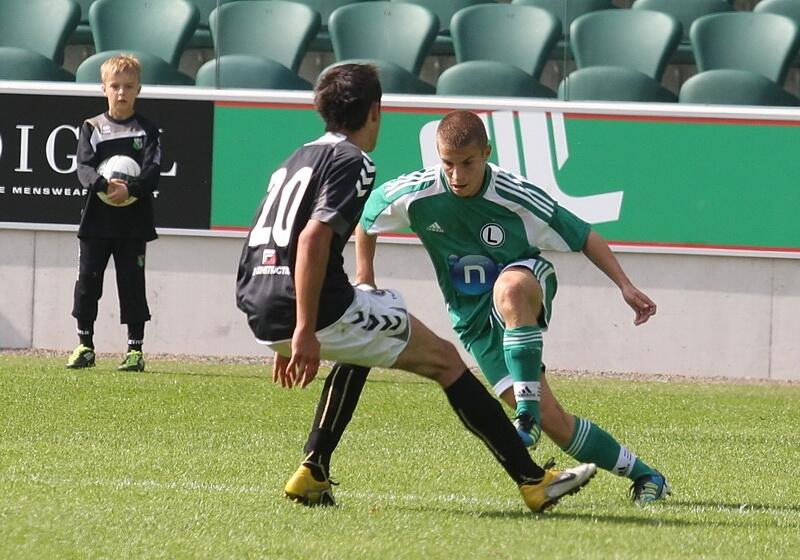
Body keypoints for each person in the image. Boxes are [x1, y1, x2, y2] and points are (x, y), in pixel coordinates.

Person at [235, 64, 596, 512]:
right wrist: (304, 326)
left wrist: (284, 317)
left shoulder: (297, 157)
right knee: (445, 361)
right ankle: (533, 480)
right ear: (375, 111)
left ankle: (314, 468)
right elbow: (311, 239)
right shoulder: (353, 160)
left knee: (369, 333)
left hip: (258, 298)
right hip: (308, 304)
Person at [356, 109, 670, 506]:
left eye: (467, 163)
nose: (457, 175)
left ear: (486, 152)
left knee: (508, 288)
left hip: (527, 280)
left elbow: (583, 234)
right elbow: (366, 220)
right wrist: (365, 278)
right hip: (473, 320)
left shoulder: (513, 193)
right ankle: (645, 475)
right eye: (448, 164)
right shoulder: (416, 193)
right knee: (556, 421)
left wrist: (624, 285)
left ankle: (525, 416)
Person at [67, 54, 162, 372]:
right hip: (97, 221)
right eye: (115, 86)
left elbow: (152, 170)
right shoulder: (92, 127)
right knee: (88, 282)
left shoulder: (147, 129)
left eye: (128, 87)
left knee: (132, 283)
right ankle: (85, 345)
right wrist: (104, 186)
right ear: (103, 88)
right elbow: (82, 167)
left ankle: (135, 350)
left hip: (134, 224)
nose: (121, 93)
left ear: (138, 89)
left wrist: (130, 190)